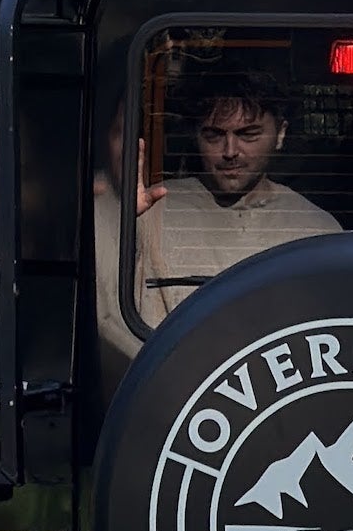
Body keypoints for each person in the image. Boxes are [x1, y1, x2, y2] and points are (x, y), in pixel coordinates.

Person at [97, 63, 336, 366]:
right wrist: (111, 210)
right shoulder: (153, 210)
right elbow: (106, 319)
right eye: (214, 135)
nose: (230, 151)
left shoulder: (315, 230)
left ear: (280, 134)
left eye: (248, 134)